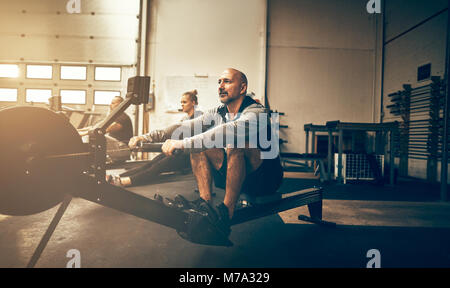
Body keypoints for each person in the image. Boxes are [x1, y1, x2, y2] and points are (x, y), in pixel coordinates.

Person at [128, 68, 283, 236]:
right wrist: (148, 136)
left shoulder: (256, 112)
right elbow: (186, 126)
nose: (221, 86)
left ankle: (226, 213)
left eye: (227, 82)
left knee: (234, 143)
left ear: (243, 88)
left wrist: (182, 144)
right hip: (241, 175)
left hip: (265, 179)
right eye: (219, 82)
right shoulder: (218, 112)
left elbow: (226, 132)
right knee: (199, 144)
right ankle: (205, 203)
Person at [107, 90, 204, 187]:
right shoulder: (185, 119)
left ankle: (125, 181)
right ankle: (117, 177)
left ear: (193, 103)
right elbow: (172, 134)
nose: (182, 105)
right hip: (180, 151)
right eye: (181, 102)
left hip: (190, 156)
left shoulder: (199, 118)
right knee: (151, 163)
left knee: (157, 166)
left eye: (184, 102)